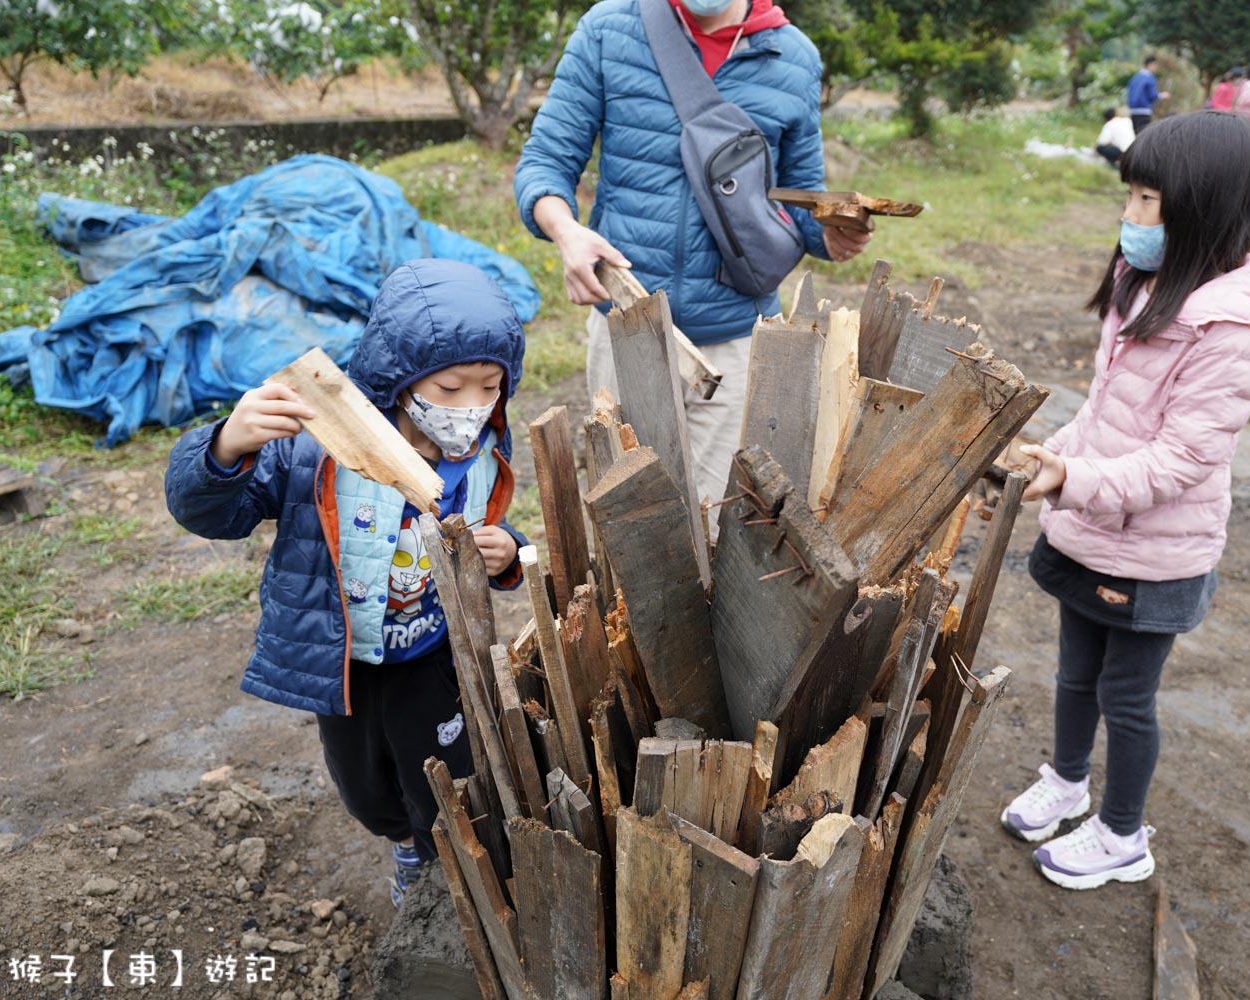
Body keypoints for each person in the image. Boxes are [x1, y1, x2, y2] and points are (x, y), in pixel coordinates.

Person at [997, 111, 1250, 890]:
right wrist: (1056, 453)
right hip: (1093, 531)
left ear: (1202, 207)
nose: (1128, 217)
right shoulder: (1143, 284)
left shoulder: (1235, 328)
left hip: (1156, 551)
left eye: (1144, 200)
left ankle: (1122, 834)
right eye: (1128, 196)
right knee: (1073, 673)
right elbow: (1106, 410)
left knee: (1126, 697)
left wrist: (1072, 484)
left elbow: (1182, 459)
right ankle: (1067, 781)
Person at [164, 259, 529, 908]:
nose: (470, 408)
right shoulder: (318, 446)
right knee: (365, 788)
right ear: (401, 377)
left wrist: (506, 554)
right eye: (449, 388)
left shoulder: (483, 450)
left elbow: (486, 533)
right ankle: (402, 841)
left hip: (432, 656)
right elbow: (211, 513)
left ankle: (440, 869)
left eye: (488, 386)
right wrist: (226, 447)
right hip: (346, 662)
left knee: (443, 776)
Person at [514, 0, 871, 513]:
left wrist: (832, 234)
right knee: (630, 516)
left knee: (718, 521)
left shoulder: (792, 56)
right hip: (628, 324)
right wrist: (567, 232)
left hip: (733, 337)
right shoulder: (610, 30)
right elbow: (546, 159)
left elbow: (798, 196)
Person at [1127, 55, 1170, 133]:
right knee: (1143, 135)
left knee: (1137, 135)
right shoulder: (1150, 77)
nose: (1156, 68)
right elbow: (1152, 95)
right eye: (1155, 65)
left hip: (1133, 111)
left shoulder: (1135, 77)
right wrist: (1162, 95)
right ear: (1150, 65)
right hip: (1144, 111)